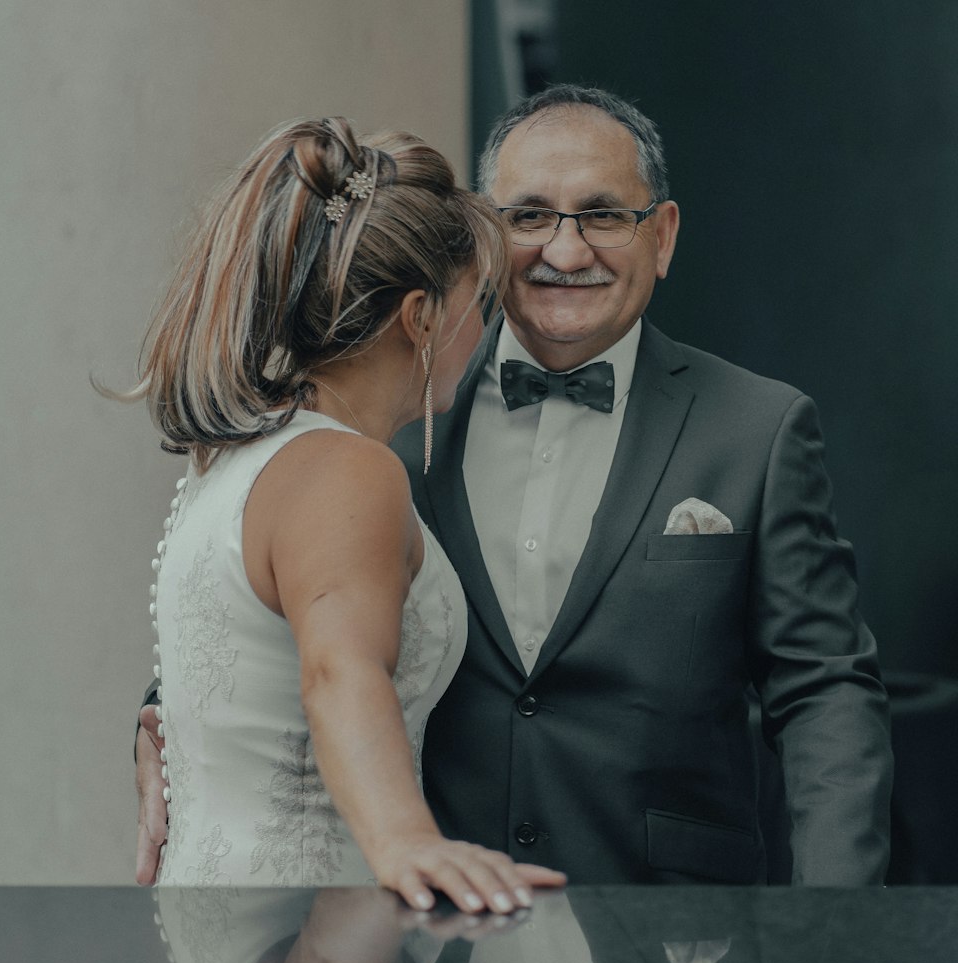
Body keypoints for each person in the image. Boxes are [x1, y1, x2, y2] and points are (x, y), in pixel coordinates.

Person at [138, 86, 893, 886]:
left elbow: (824, 693)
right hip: (427, 933)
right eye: (529, 217)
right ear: (483, 236)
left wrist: (836, 929)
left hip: (669, 941)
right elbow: (277, 599)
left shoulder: (758, 429)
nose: (565, 253)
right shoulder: (383, 412)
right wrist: (168, 721)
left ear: (662, 237)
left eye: (604, 215)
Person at [121, 115, 565, 912]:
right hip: (312, 940)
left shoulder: (235, 457)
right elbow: (338, 668)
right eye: (479, 303)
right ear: (421, 317)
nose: (486, 333)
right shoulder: (348, 470)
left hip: (218, 930)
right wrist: (406, 840)